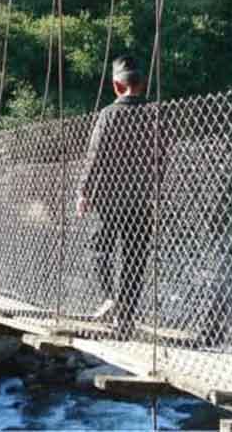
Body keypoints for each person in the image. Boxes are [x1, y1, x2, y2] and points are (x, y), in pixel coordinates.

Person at [76, 56, 156, 338]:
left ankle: (111, 297)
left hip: (110, 199)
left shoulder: (108, 115)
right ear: (142, 83)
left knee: (99, 248)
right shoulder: (155, 113)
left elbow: (94, 156)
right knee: (135, 258)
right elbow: (162, 157)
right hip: (143, 200)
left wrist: (84, 192)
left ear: (116, 85)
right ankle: (125, 321)